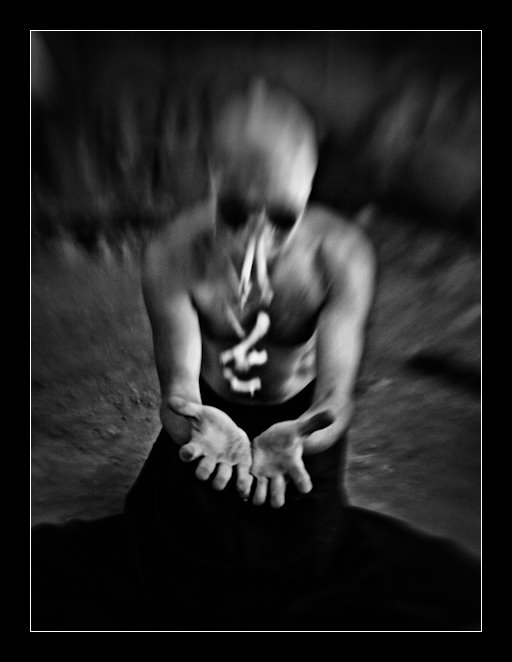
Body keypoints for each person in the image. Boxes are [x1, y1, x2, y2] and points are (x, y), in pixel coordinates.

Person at [31, 80, 480, 632]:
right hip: (210, 418)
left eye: (284, 218)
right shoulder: (174, 254)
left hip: (297, 424)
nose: (257, 243)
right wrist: (192, 424)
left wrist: (308, 434)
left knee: (310, 574)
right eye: (237, 213)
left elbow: (334, 396)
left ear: (309, 190)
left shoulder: (340, 255)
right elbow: (179, 390)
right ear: (214, 179)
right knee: (167, 563)